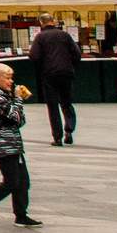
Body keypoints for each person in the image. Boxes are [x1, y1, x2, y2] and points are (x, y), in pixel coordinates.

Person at [0, 63, 42, 228]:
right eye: (8, 78)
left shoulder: (5, 96)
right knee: (11, 181)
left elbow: (19, 121)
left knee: (23, 181)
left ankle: (21, 215)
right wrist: (18, 99)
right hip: (2, 146)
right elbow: (16, 118)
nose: (11, 82)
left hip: (13, 145)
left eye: (12, 78)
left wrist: (15, 100)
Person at [27, 12, 80, 146]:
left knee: (52, 105)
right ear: (54, 21)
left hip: (49, 73)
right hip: (66, 72)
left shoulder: (40, 37)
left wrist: (43, 64)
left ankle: (57, 137)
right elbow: (77, 53)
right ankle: (69, 129)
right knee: (66, 103)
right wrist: (69, 63)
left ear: (41, 22)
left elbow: (34, 56)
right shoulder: (65, 35)